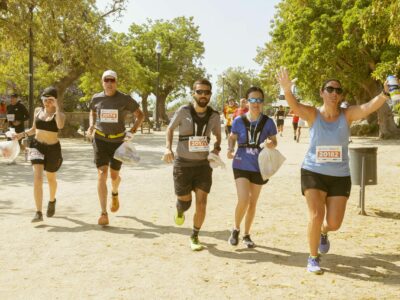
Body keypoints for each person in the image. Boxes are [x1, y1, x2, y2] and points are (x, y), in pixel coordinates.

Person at [277, 67, 390, 275]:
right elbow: (293, 105)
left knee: (334, 223)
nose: (334, 93)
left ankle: (323, 232)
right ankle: (312, 257)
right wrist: (286, 89)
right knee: (316, 214)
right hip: (313, 171)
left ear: (341, 95)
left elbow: (367, 108)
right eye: (329, 89)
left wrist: (384, 93)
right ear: (322, 93)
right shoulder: (313, 114)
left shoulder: (347, 115)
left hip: (340, 175)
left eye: (338, 90)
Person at [163, 78, 221, 251]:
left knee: (202, 202)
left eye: (207, 92)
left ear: (210, 94)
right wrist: (168, 148)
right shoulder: (183, 111)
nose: (203, 95)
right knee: (185, 201)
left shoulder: (214, 116)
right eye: (200, 92)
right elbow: (170, 129)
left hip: (203, 165)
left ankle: (195, 235)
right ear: (193, 93)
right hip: (183, 164)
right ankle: (180, 209)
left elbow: (218, 137)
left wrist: (216, 150)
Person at [87, 70, 144, 226]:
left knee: (113, 176)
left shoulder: (124, 99)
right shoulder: (96, 98)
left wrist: (132, 131)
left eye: (112, 80)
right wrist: (91, 125)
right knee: (101, 173)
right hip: (100, 139)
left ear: (116, 82)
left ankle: (115, 192)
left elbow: (141, 115)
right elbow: (92, 111)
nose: (110, 83)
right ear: (102, 82)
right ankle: (103, 213)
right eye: (107, 80)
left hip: (118, 141)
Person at [227, 87, 277, 248]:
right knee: (244, 199)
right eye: (253, 100)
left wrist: (271, 143)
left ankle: (246, 234)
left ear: (263, 102)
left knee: (253, 202)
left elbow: (274, 141)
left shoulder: (268, 122)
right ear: (247, 102)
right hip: (241, 162)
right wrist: (230, 148)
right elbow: (232, 136)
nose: (256, 103)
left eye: (259, 100)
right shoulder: (238, 120)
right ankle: (235, 228)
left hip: (259, 165)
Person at [13, 87, 65, 222]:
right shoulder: (38, 111)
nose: (46, 103)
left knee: (51, 178)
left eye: (50, 100)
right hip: (37, 146)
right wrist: (21, 134)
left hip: (53, 149)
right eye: (44, 99)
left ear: (55, 100)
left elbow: (59, 126)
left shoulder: (60, 115)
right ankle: (38, 212)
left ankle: (52, 200)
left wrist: (57, 107)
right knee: (38, 178)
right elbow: (33, 129)